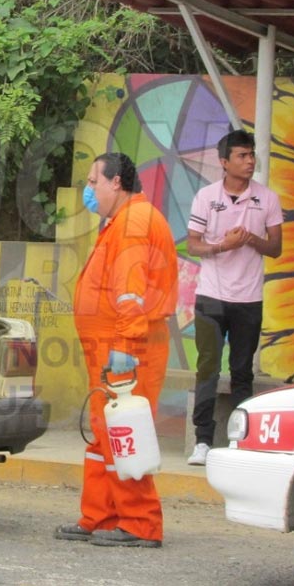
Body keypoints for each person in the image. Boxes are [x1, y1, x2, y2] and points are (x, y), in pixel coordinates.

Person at [55, 152, 178, 548]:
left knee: (126, 434)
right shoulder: (123, 221)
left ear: (116, 184)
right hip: (113, 348)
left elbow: (130, 293)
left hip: (126, 348)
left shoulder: (133, 223)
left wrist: (123, 348)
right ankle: (101, 516)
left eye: (93, 181)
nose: (88, 190)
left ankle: (140, 523)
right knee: (106, 435)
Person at [185, 130, 283, 465]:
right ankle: (202, 440)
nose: (250, 161)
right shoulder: (205, 197)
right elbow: (192, 244)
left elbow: (276, 248)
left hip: (249, 298)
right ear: (224, 162)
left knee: (242, 371)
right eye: (242, 155)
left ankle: (243, 442)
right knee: (207, 367)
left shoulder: (267, 198)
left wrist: (250, 239)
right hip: (211, 296)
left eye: (252, 154)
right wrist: (222, 246)